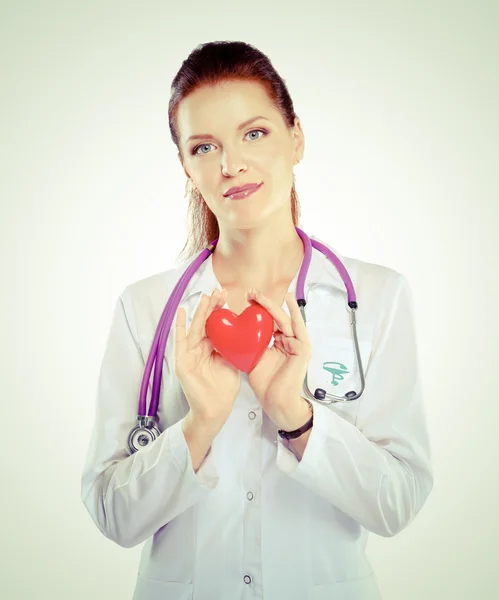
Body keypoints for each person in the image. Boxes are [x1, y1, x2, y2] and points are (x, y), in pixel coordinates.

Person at [81, 40, 434, 600]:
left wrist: (295, 417)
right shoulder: (144, 307)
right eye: (203, 146)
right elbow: (113, 515)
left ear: (296, 137)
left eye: (255, 133)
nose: (230, 164)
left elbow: (397, 504)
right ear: (184, 165)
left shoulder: (376, 297)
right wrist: (200, 425)